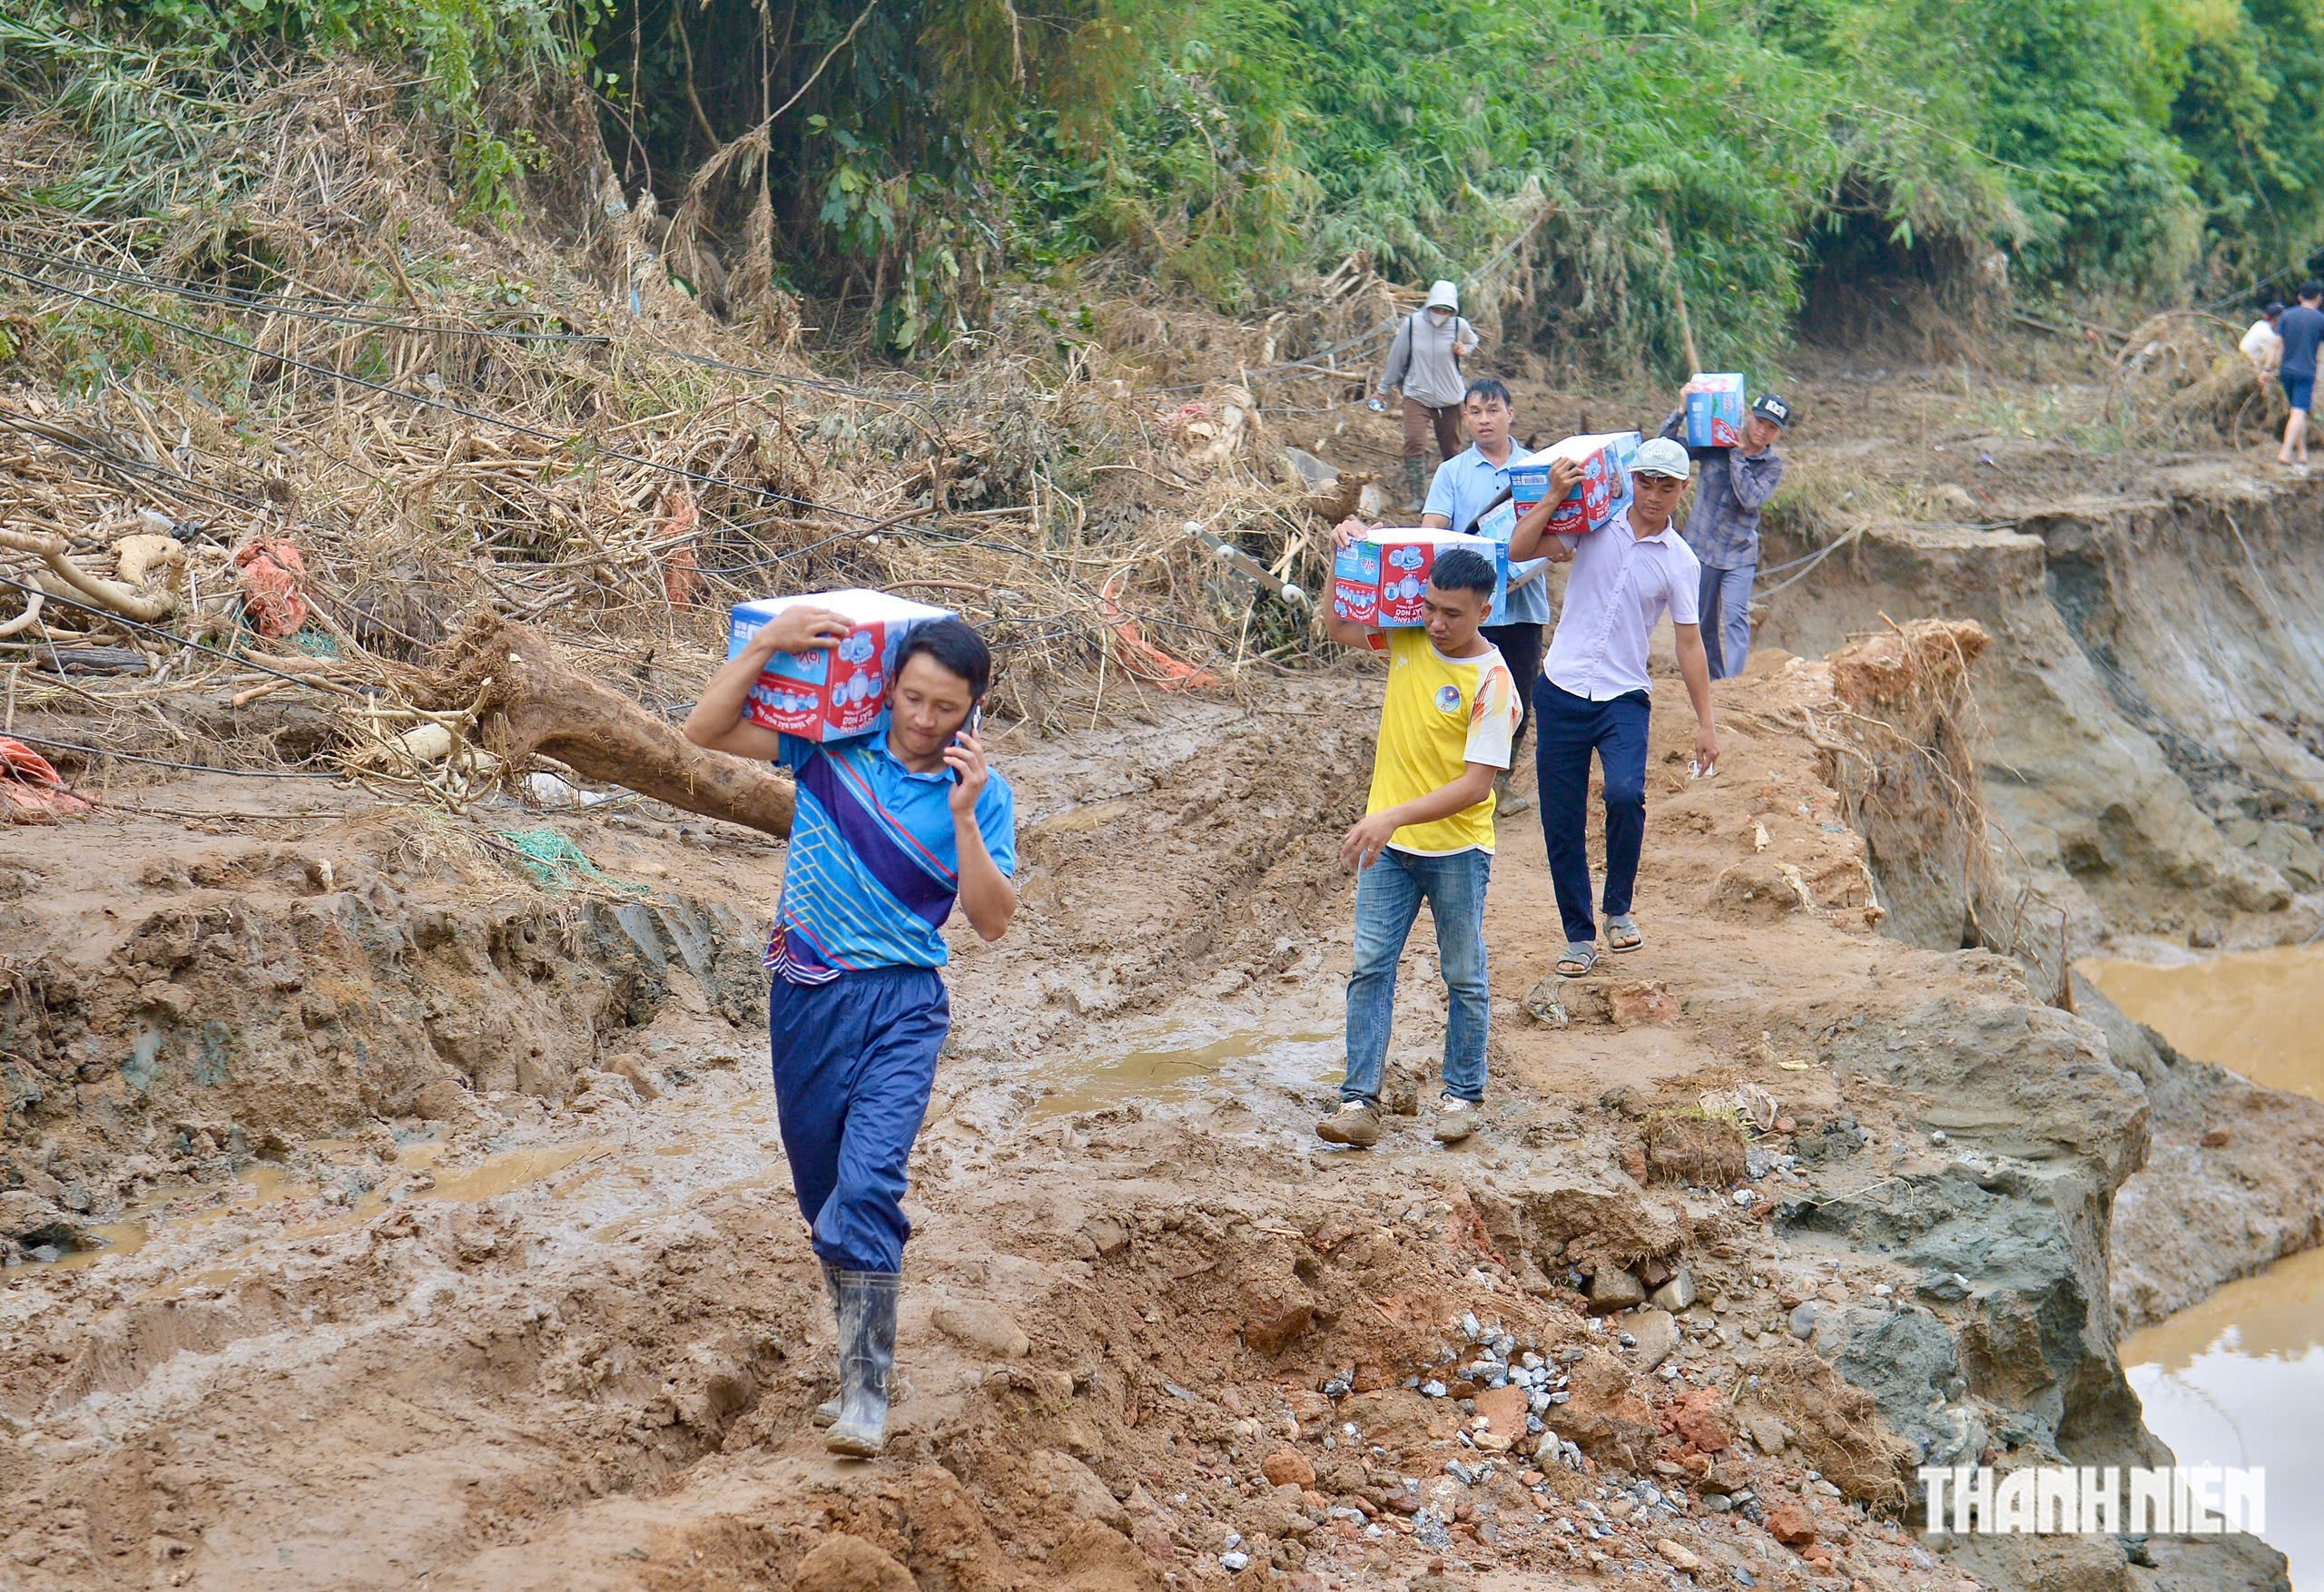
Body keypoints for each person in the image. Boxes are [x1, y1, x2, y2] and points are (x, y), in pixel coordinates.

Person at [683, 612, 1018, 1459]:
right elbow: (704, 730)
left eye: (947, 707)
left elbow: (992, 922)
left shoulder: (982, 791)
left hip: (904, 1007)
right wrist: (767, 644)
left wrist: (969, 818)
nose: (924, 720)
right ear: (890, 685)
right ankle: (854, 1370)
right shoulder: (831, 745)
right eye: (912, 698)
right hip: (805, 998)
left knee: (868, 1186)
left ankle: (866, 1395)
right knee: (821, 1199)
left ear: (975, 708)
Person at [1312, 547, 1520, 1151]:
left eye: (1452, 614)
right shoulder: (1405, 642)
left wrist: (1391, 815)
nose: (1435, 623)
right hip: (1393, 849)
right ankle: (1359, 1103)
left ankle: (1462, 1097)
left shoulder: (1494, 682)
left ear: (1484, 610)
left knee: (1463, 974)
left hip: (1458, 851)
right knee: (1370, 969)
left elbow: (1477, 785)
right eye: (1429, 607)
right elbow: (1339, 626)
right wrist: (1335, 561)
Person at [1508, 437, 1719, 979]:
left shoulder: (1681, 563)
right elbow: (1518, 548)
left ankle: (1618, 907)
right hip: (1560, 688)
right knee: (1561, 817)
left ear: (1682, 490)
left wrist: (1706, 722)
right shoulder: (1594, 524)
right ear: (1631, 479)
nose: (1653, 494)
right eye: (1645, 482)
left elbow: (1690, 643)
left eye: (1666, 486)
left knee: (1626, 794)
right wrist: (1554, 496)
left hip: (1624, 694)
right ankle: (1578, 935)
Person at [1336, 378, 1547, 816]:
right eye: (1474, 412)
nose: (1484, 420)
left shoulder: (1539, 468)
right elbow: (1432, 534)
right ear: (1464, 418)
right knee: (1453, 688)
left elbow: (1558, 533)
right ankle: (1454, 777)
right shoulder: (1452, 472)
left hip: (1523, 602)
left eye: (1493, 410)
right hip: (1463, 605)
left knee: (1518, 693)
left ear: (1511, 413)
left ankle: (1498, 780)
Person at [1658, 390, 1788, 680]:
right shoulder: (1714, 443)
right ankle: (1715, 681)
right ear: (1748, 415)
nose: (1762, 430)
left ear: (1777, 434)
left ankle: (1736, 683)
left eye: (1771, 428)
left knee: (1736, 618)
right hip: (1701, 551)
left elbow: (1750, 498)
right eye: (1760, 421)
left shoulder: (1772, 466)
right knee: (1703, 622)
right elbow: (1666, 452)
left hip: (1739, 554)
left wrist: (1736, 454)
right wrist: (1680, 411)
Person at [1373, 280, 1480, 510]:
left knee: (1451, 448)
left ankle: (1455, 497)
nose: (1440, 314)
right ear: (1429, 304)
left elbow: (1473, 341)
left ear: (1453, 310)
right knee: (1414, 442)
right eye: (1437, 308)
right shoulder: (1412, 325)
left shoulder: (1458, 326)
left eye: (1446, 310)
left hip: (1450, 397)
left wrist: (1464, 349)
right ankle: (1418, 498)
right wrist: (1382, 390)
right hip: (1416, 394)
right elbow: (1396, 359)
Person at [2276, 281, 2324, 468]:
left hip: (2286, 371)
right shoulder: (2321, 320)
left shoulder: (2287, 315)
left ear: (2300, 297)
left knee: (2297, 411)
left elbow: (2276, 344)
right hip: (2306, 372)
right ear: (2319, 298)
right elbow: (2322, 352)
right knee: (2298, 412)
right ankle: (2286, 452)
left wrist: (2266, 370)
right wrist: (2320, 376)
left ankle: (2302, 452)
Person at [2241, 301, 2285, 381]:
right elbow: (2276, 359)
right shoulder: (2267, 334)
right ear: (2277, 318)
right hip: (2251, 368)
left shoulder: (2260, 324)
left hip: (2245, 362)